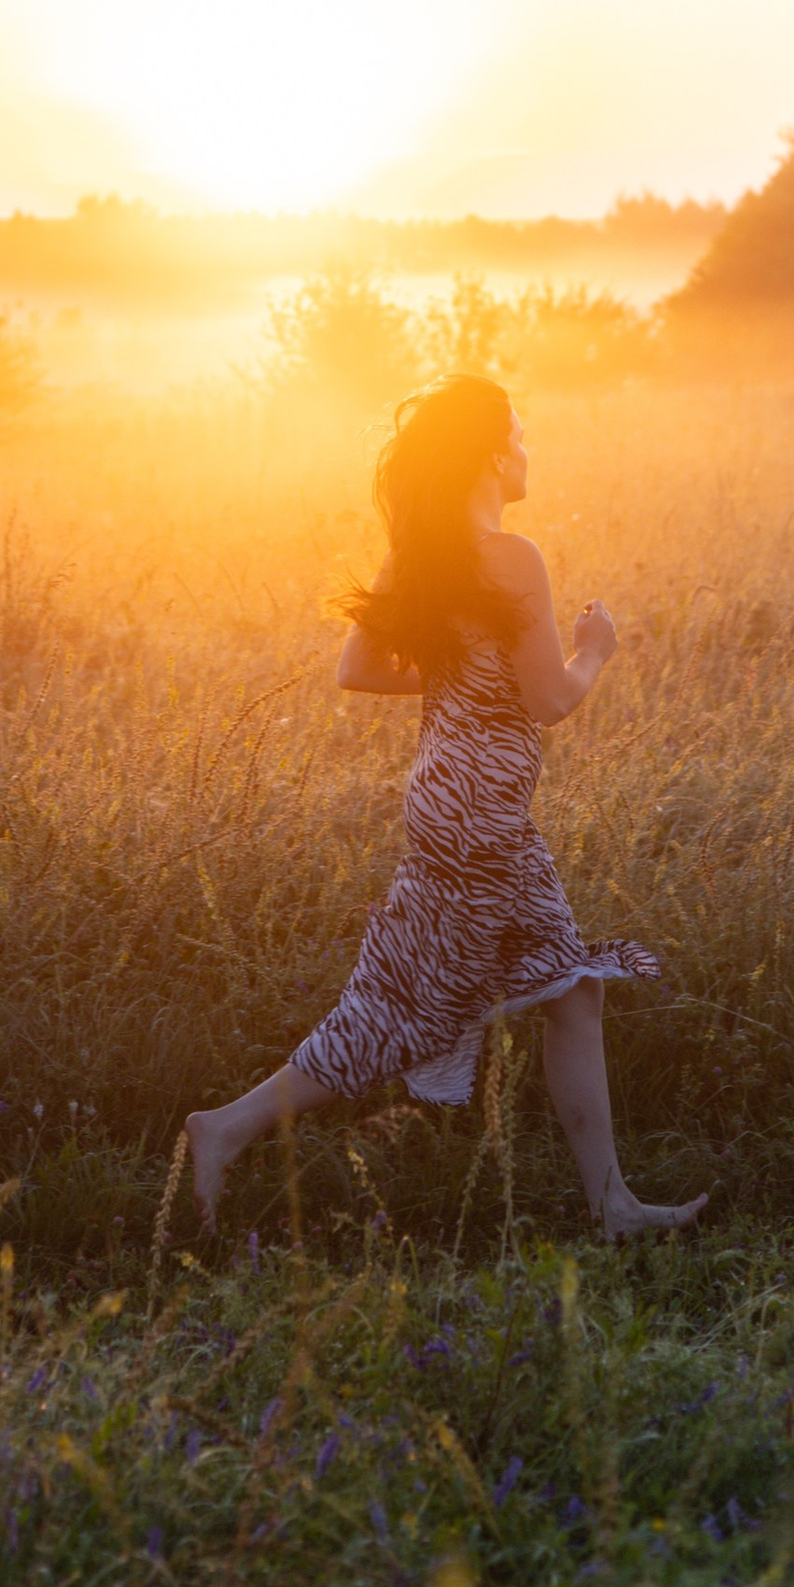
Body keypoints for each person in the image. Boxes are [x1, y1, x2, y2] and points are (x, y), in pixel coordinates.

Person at [186, 374, 705, 1242]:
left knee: (563, 995)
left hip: (448, 800)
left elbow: (358, 668)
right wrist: (596, 650)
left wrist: (463, 675)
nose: (529, 452)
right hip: (486, 816)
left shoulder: (421, 550)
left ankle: (613, 1206)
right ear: (493, 453)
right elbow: (550, 701)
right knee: (412, 1012)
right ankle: (230, 1126)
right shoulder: (515, 558)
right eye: (521, 436)